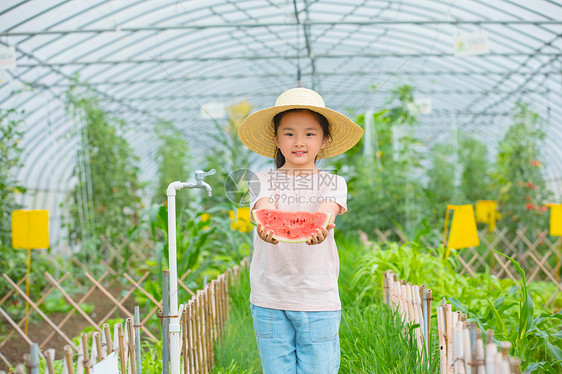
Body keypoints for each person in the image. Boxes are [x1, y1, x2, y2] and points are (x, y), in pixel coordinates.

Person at [237, 87, 363, 373]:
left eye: (309, 133)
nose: (299, 141)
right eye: (289, 133)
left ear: (324, 140)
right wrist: (265, 229)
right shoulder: (261, 179)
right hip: (269, 298)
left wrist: (315, 230)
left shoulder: (334, 183)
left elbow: (325, 215)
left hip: (318, 298)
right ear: (276, 139)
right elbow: (264, 211)